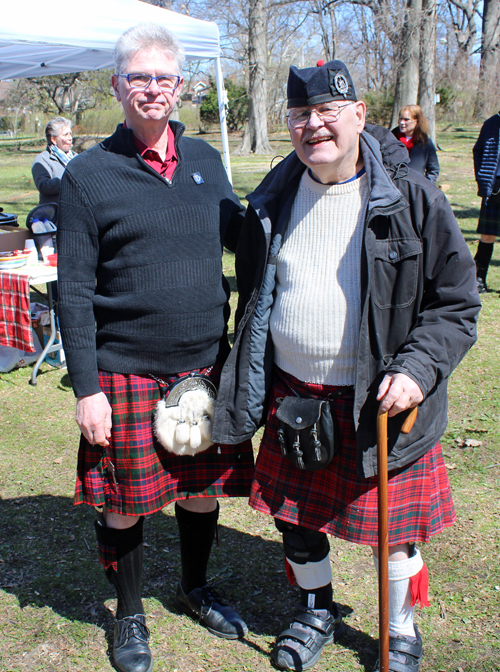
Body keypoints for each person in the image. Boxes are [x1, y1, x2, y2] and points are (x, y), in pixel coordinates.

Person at [212, 60, 480, 671]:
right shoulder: (272, 198)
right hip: (295, 393)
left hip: (382, 397)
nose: (314, 126)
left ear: (359, 115)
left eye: (328, 112)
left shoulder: (412, 196)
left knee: (395, 537)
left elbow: (457, 302)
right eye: (301, 115)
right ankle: (314, 608)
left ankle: (401, 631)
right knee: (296, 521)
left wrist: (417, 368)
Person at [57, 23, 254, 672]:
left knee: (202, 492)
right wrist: (87, 388)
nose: (151, 89)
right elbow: (75, 293)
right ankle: (130, 615)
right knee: (123, 501)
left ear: (178, 87)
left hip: (205, 363)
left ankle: (195, 588)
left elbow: (241, 237)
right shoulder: (87, 176)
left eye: (163, 78)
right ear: (117, 86)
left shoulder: (203, 160)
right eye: (138, 77)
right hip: (125, 372)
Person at [472, 111, 500, 293]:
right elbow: (478, 150)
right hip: (495, 187)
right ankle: (479, 279)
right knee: (487, 235)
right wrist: (483, 180)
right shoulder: (492, 123)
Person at [32, 116, 75, 205]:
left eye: (70, 134)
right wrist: (70, 181)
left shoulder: (77, 157)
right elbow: (44, 186)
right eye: (65, 134)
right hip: (54, 214)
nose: (70, 138)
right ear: (53, 139)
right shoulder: (43, 159)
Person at [392, 104, 439, 183]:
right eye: (400, 119)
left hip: (415, 190)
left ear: (416, 121)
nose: (402, 122)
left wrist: (424, 188)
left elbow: (433, 170)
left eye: (406, 119)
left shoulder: (425, 143)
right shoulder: (391, 139)